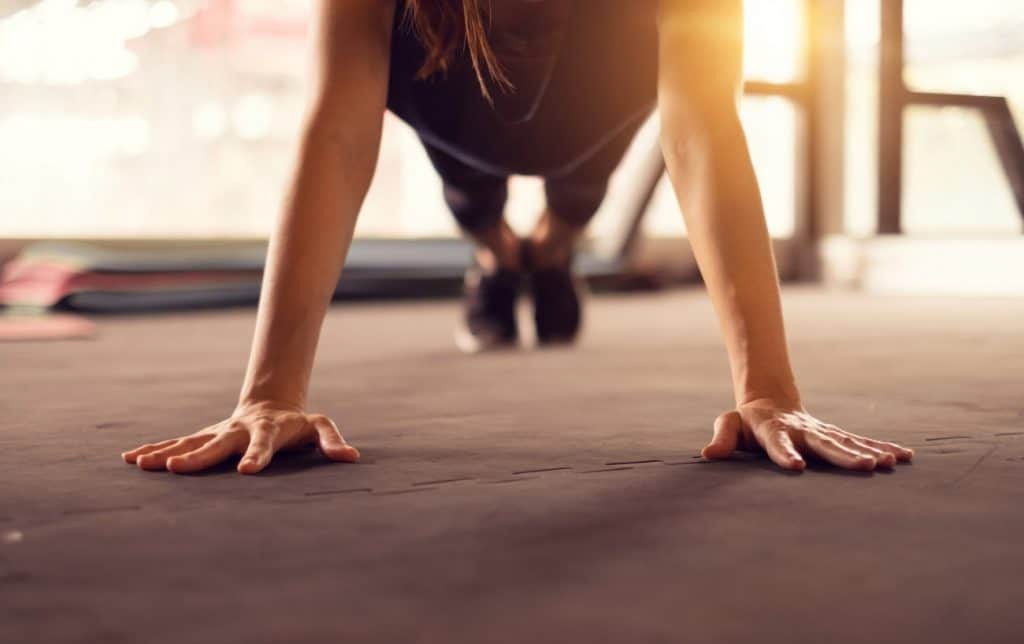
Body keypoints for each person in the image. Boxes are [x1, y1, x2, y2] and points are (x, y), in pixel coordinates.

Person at [122, 0, 914, 475]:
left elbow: (702, 130)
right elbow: (336, 131)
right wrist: (269, 393)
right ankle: (499, 254)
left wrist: (769, 390)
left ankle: (552, 249)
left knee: (575, 195)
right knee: (474, 199)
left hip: (595, 103)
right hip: (447, 85)